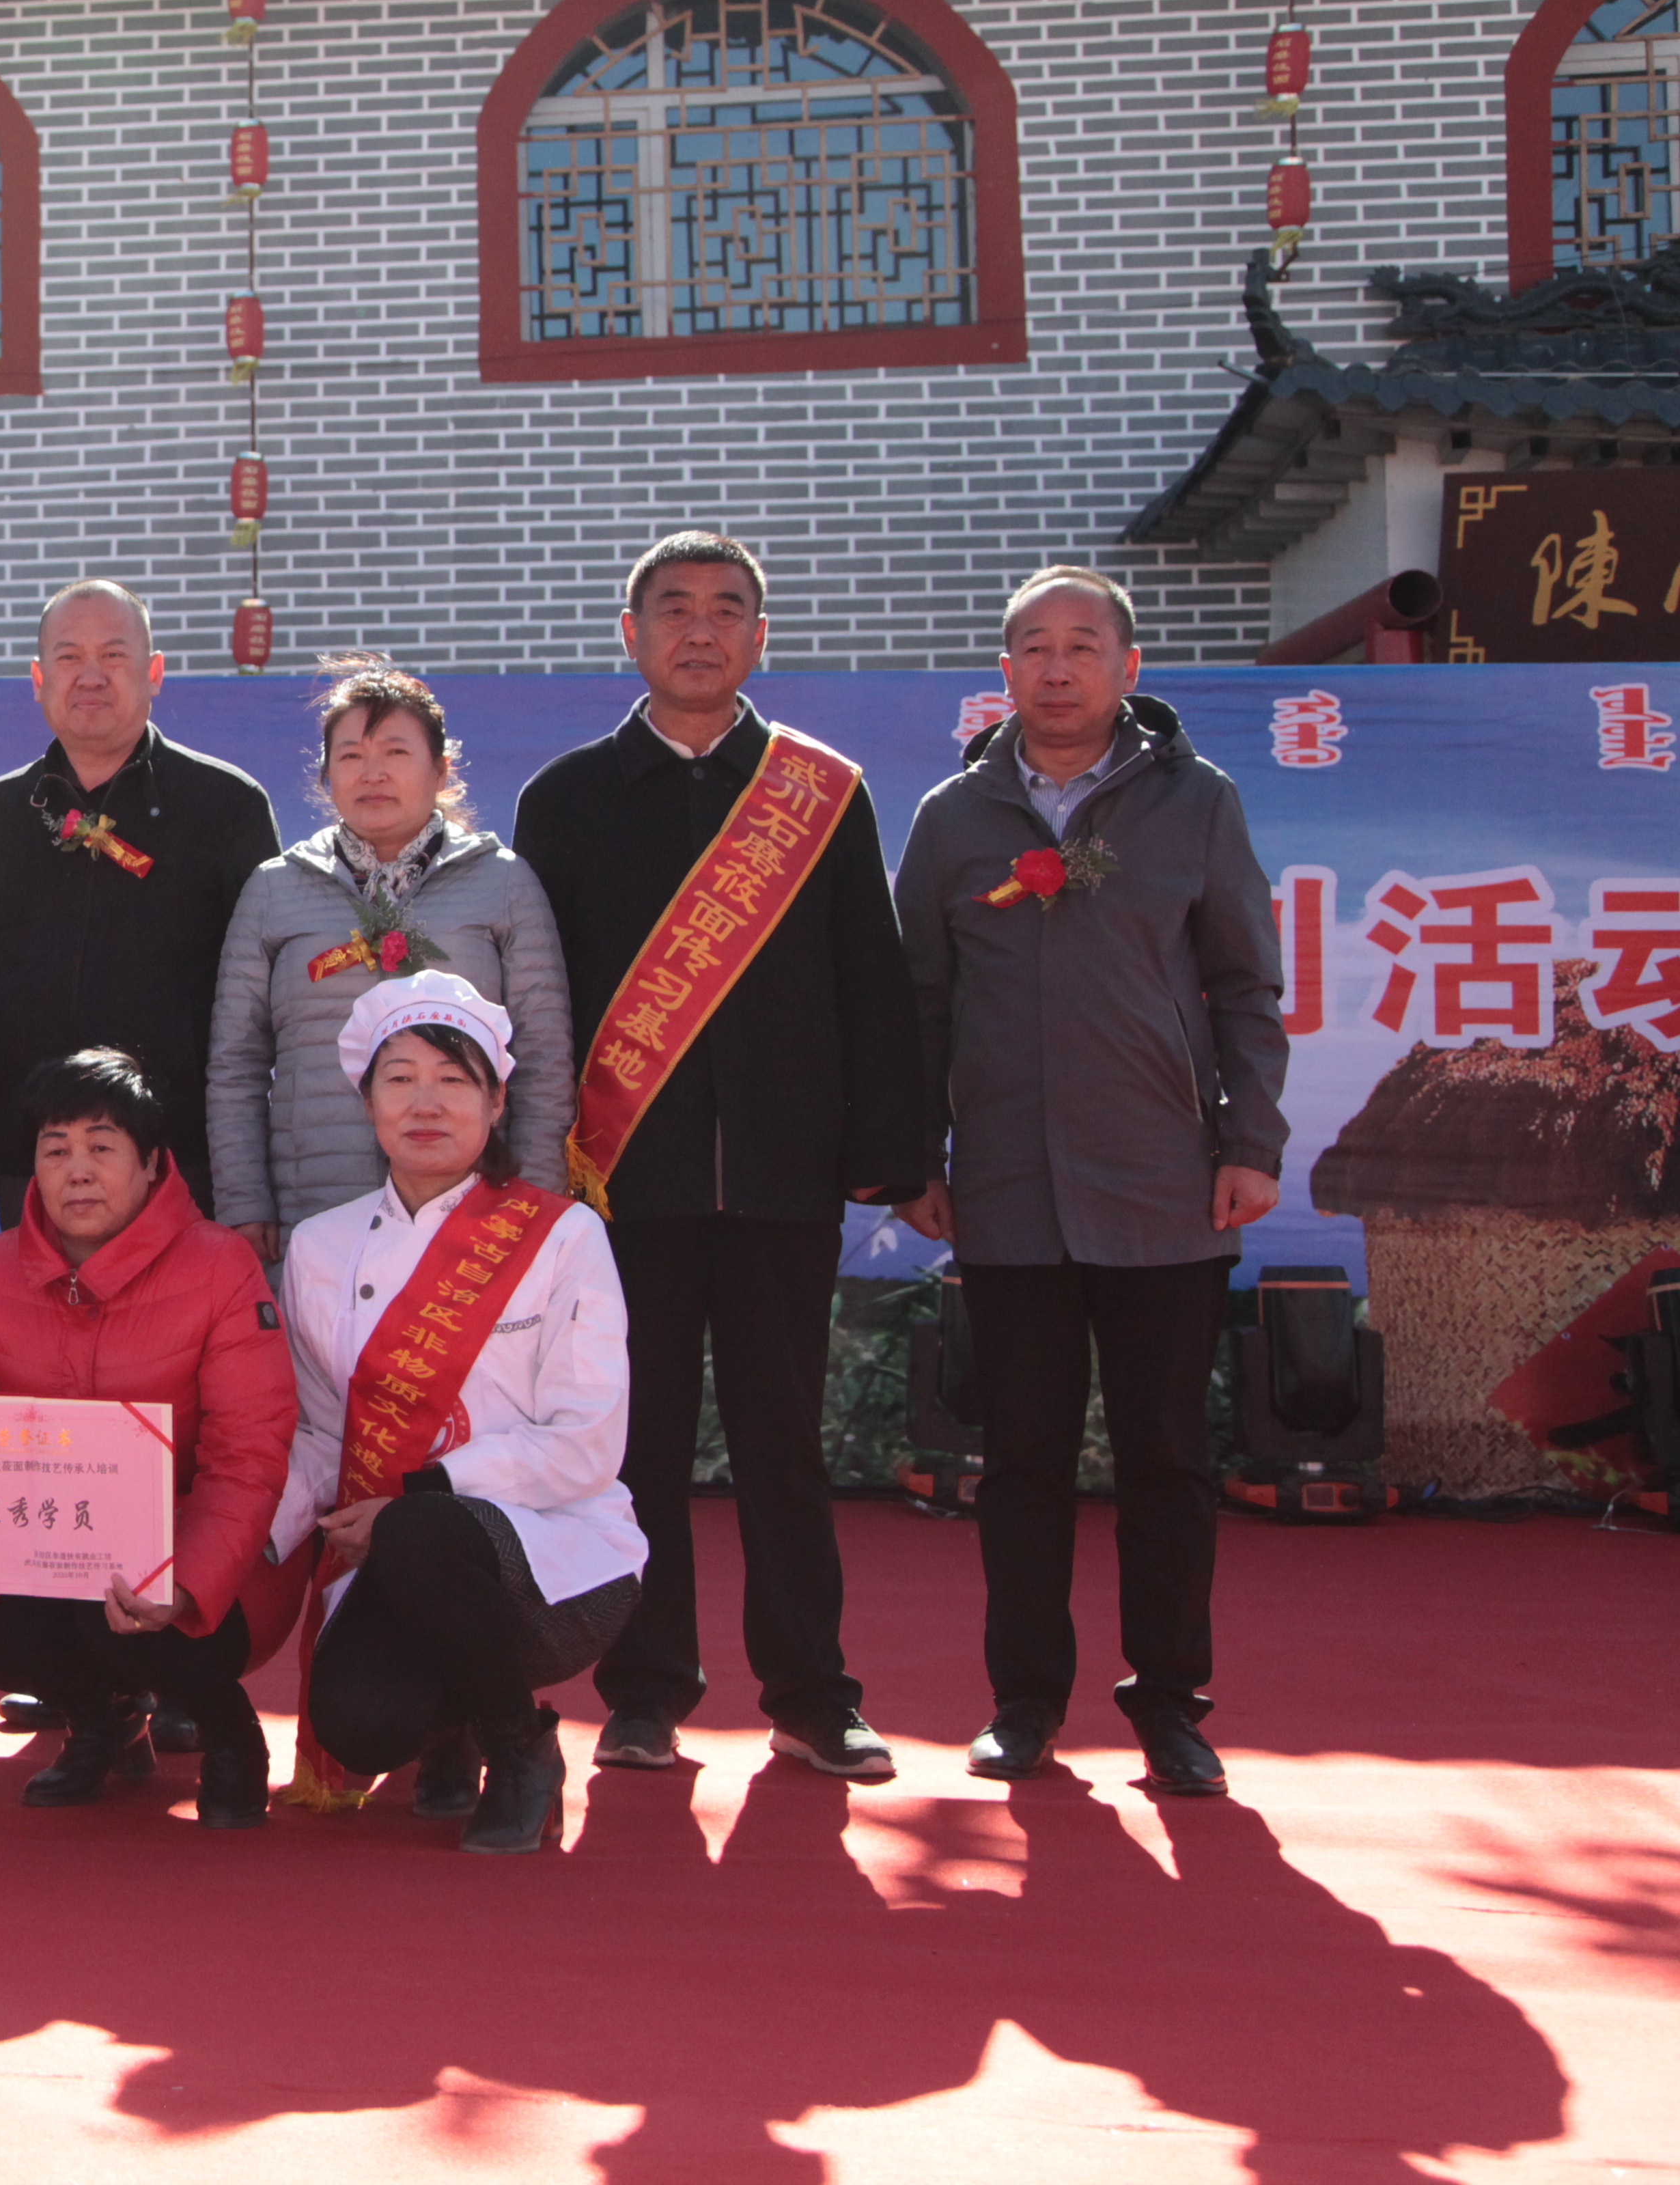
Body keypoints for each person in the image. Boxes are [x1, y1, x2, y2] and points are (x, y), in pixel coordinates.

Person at [512, 531, 927, 1781]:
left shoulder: (821, 792)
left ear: (760, 635)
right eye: (674, 608)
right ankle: (643, 1687)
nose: (700, 629)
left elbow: (875, 979)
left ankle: (811, 1690)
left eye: (727, 608)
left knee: (781, 1440)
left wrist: (889, 1148)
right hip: (619, 1183)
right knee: (635, 1443)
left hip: (785, 1177)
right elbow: (543, 1002)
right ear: (629, 634)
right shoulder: (567, 797)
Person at [895, 566, 1287, 1800]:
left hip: (1166, 1184)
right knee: (1021, 1460)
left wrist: (1249, 1142)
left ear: (1128, 667)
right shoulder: (954, 818)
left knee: (1167, 1458)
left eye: (1082, 645)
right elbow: (918, 1004)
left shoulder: (1193, 803)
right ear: (1001, 671)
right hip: (1009, 1189)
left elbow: (1243, 987)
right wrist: (917, 1156)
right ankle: (1024, 1701)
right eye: (1032, 647)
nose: (1056, 668)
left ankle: (1170, 1702)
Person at [277, 974, 640, 1856]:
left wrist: (423, 1494)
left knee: (423, 1532)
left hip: (552, 1560)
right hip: (392, 1553)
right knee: (358, 1724)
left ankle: (519, 1750)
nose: (426, 1102)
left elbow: (587, 1442)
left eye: (454, 1078)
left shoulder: (564, 1236)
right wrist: (255, 1540)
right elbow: (320, 1433)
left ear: (498, 1099)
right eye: (399, 1079)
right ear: (366, 1102)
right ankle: (452, 1730)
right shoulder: (319, 1247)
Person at [0, 1049, 299, 1828]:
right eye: (55, 1150)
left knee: (136, 1621)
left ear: (154, 1164)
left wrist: (188, 1581)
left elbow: (248, 1455)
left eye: (102, 1147)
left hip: (204, 1545)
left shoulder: (223, 1268)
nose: (77, 1171)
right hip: (48, 1542)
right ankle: (99, 1717)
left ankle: (229, 1731)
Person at [0, 581, 281, 1231]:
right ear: (39, 679)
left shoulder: (226, 807)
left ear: (154, 672)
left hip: (185, 1161)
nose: (91, 677)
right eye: (70, 658)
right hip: (36, 1159)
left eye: (115, 655)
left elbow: (264, 994)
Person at [210, 665, 571, 1253]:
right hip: (314, 1206)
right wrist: (245, 1201)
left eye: (396, 751)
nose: (373, 773)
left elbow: (544, 1059)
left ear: (441, 769)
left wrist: (531, 1198)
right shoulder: (274, 890)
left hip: (472, 1211)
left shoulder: (503, 883)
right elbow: (236, 1065)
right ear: (326, 776)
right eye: (351, 755)